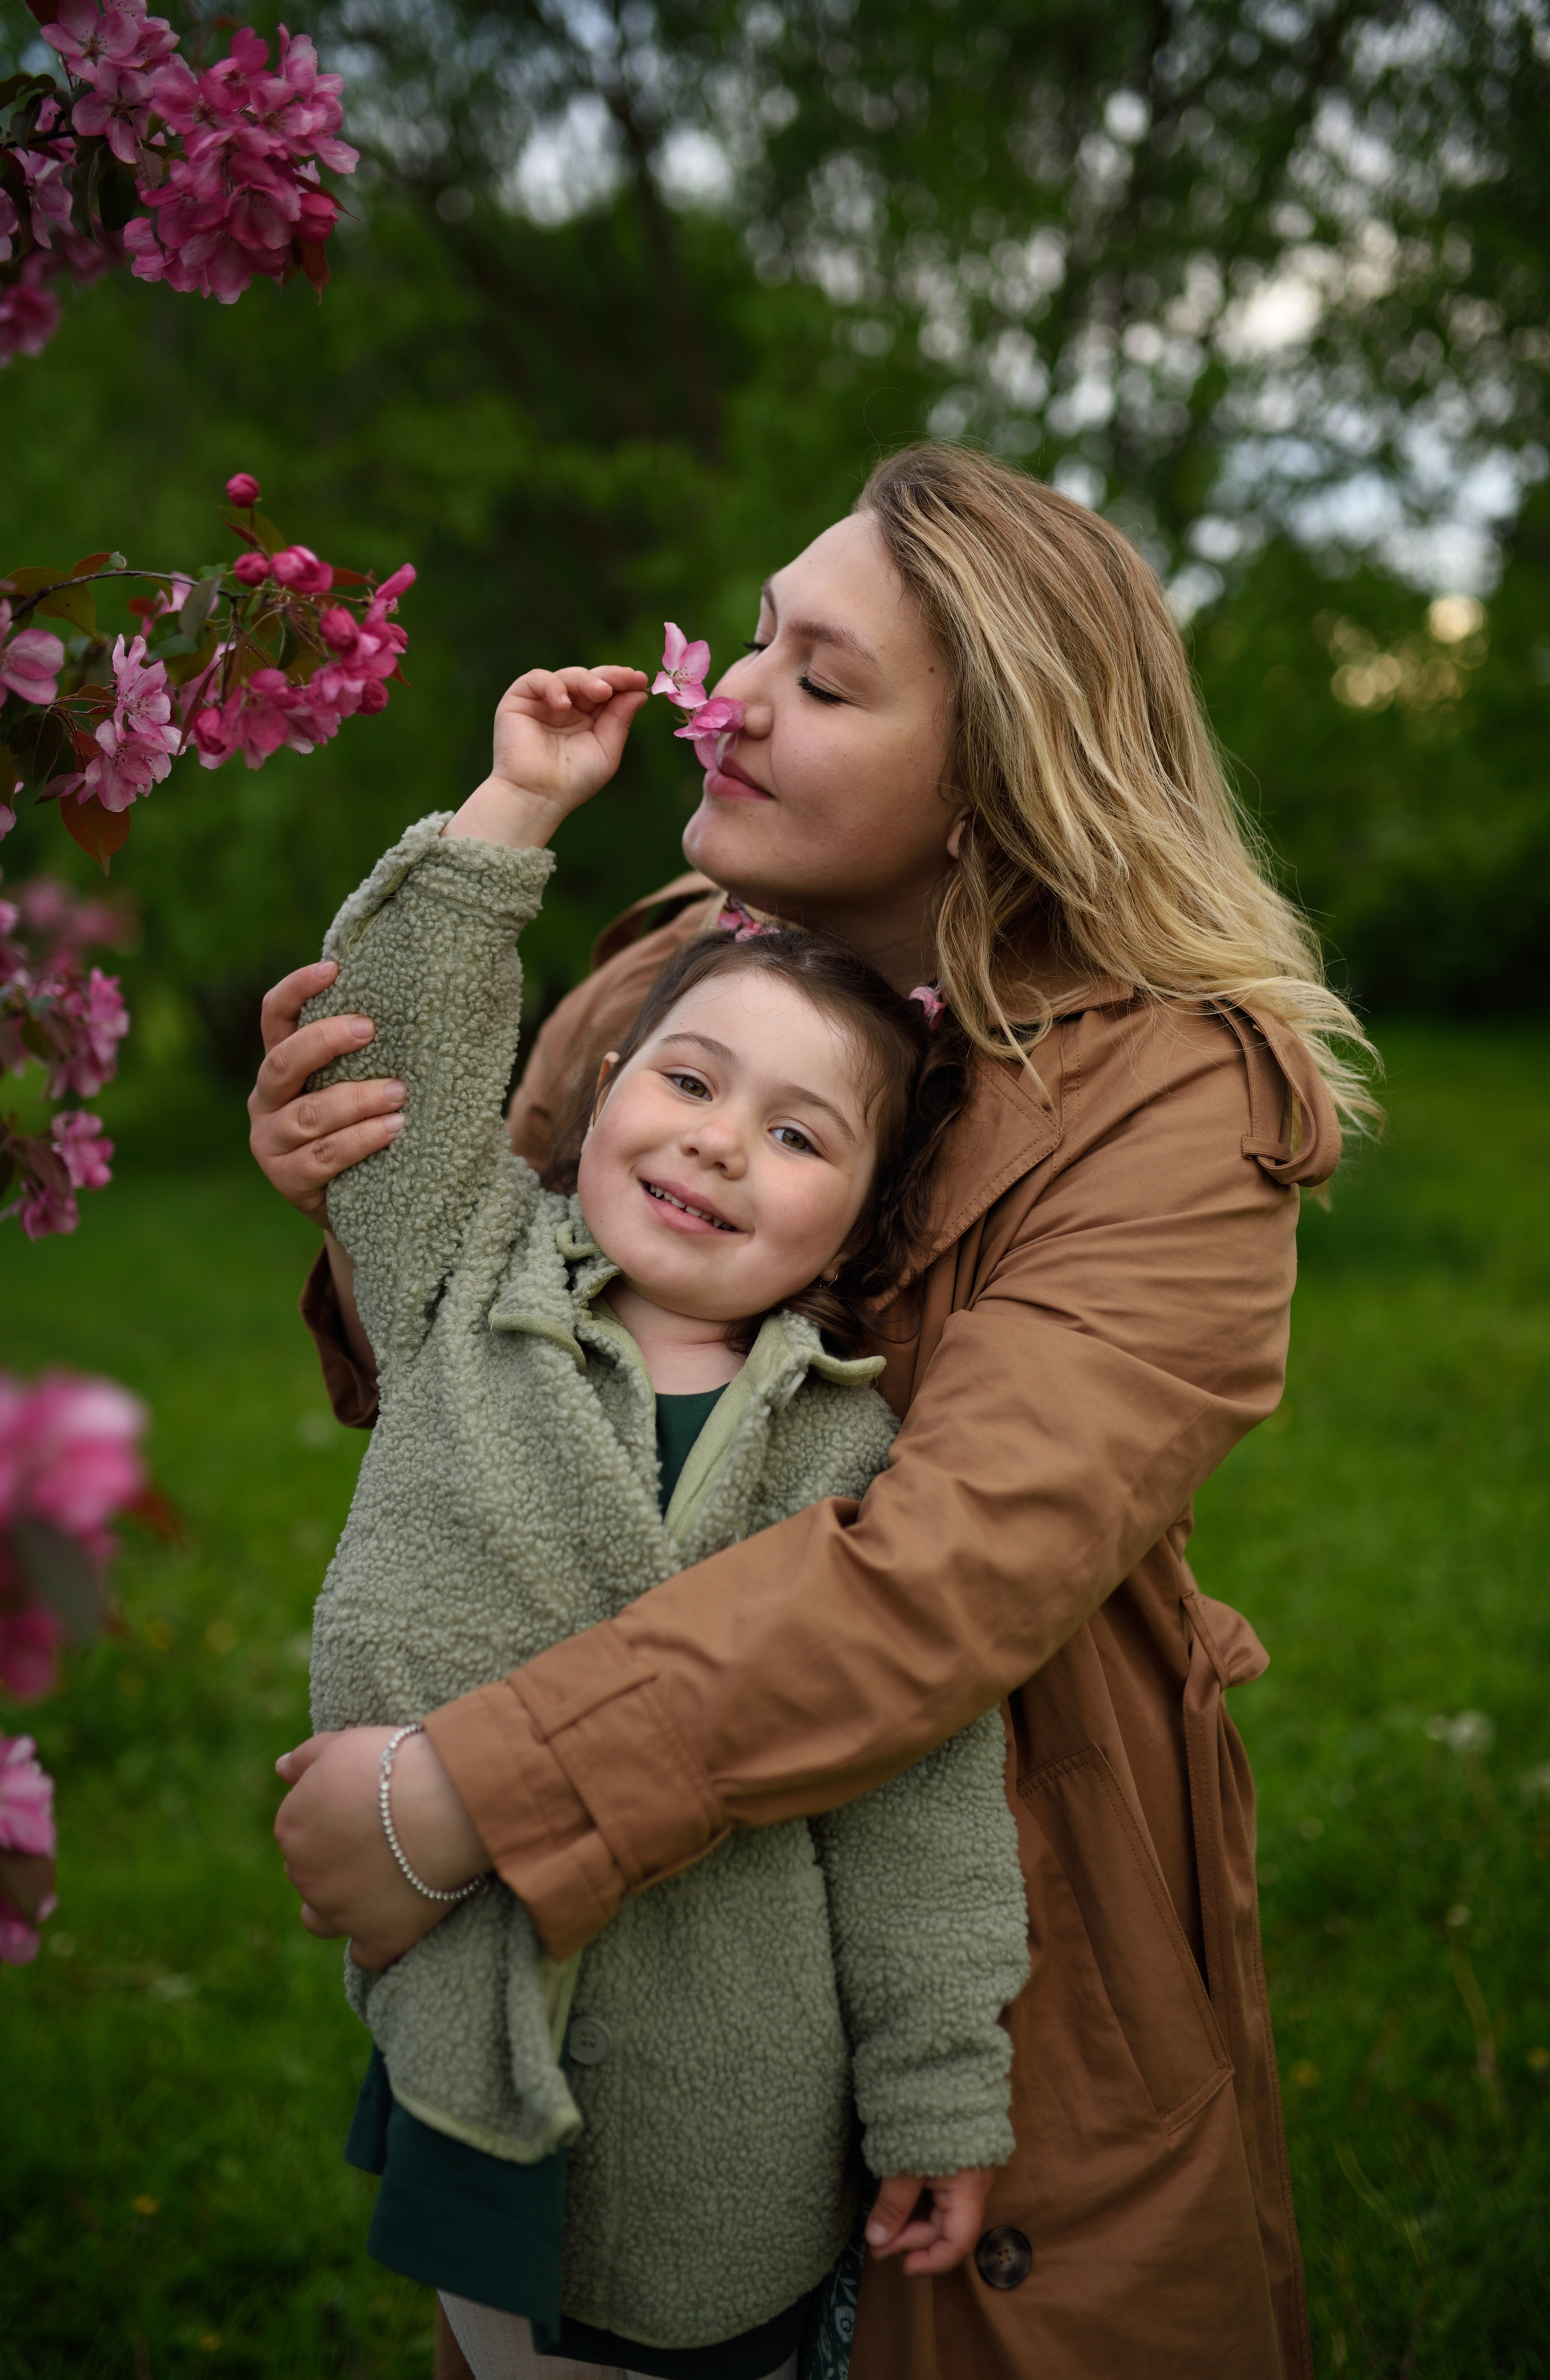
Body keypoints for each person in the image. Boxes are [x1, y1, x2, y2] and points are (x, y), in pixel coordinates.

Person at [264, 443, 1377, 2380]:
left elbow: (937, 1581)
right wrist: (360, 1187)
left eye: (826, 678)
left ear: (1001, 771)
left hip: (990, 1930)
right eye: (755, 637)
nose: (733, 697)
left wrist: (465, 1801)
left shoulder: (1175, 1104)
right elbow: (495, 1369)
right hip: (606, 1970)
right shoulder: (654, 977)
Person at [297, 696, 1029, 2380]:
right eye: (691, 1080)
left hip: (737, 2120)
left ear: (862, 1212)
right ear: (611, 1082)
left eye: (797, 1134)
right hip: (476, 2053)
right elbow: (393, 1024)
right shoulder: (461, 1275)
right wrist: (521, 795)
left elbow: (919, 1800)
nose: (719, 1140)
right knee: (493, 2350)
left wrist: (939, 2085)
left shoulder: (848, 1442)